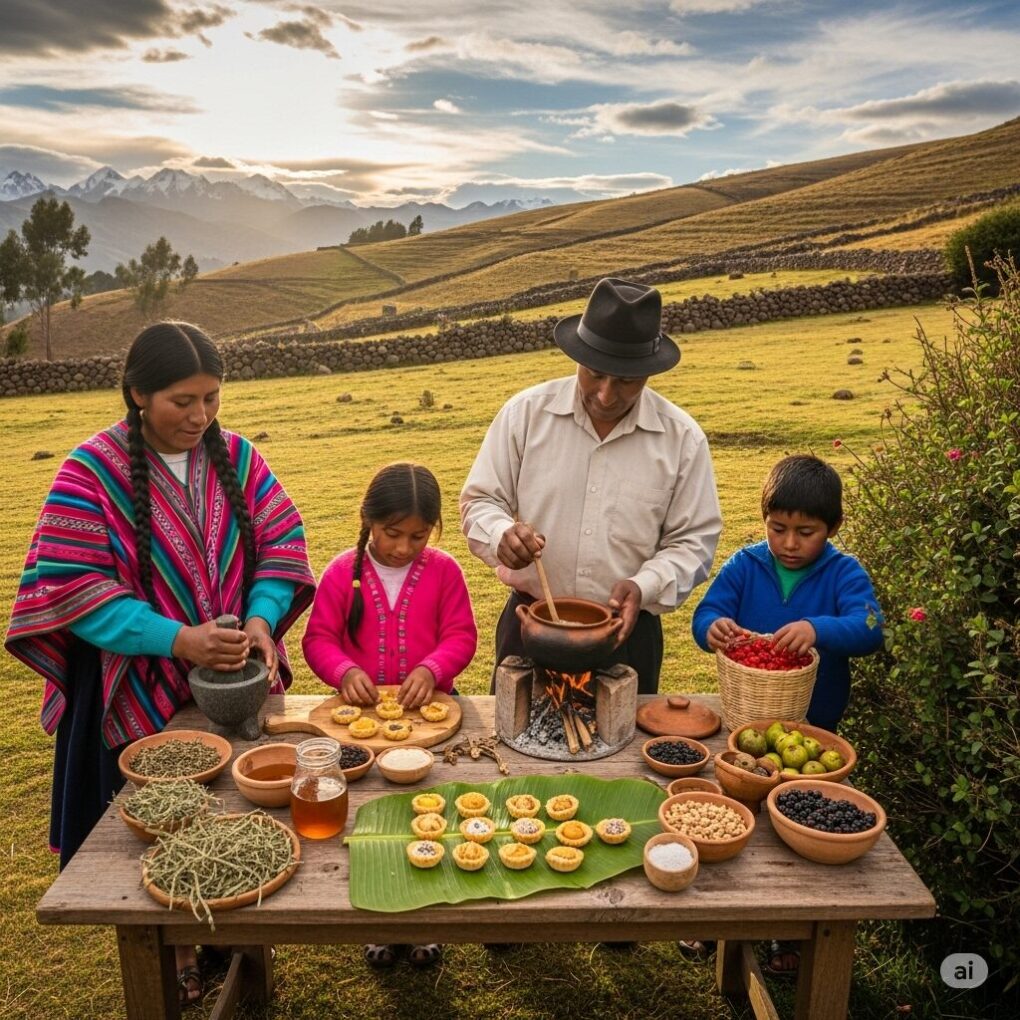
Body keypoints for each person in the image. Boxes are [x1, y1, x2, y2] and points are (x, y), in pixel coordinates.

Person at [5, 321, 315, 1007]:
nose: (200, 416)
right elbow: (71, 589)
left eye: (211, 398)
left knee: (235, 818)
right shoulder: (89, 472)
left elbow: (281, 547)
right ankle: (172, 955)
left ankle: (228, 935)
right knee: (158, 826)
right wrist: (179, 640)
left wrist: (261, 621)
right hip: (134, 696)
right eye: (182, 400)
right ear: (138, 392)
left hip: (232, 685)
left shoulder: (238, 457)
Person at [460, 276, 722, 693]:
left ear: (649, 372)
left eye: (626, 381)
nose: (605, 395)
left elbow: (693, 540)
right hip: (531, 626)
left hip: (625, 635)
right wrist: (500, 534)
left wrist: (645, 585)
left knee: (623, 755)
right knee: (512, 754)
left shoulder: (681, 439)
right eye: (595, 374)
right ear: (577, 357)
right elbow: (481, 500)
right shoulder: (525, 415)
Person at [689, 453, 883, 974]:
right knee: (733, 823)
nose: (790, 544)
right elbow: (707, 612)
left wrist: (818, 628)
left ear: (832, 528)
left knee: (795, 832)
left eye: (806, 532)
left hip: (813, 732)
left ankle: (784, 931)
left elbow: (869, 628)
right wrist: (712, 628)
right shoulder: (745, 565)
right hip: (745, 734)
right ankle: (717, 922)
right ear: (765, 521)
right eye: (778, 529)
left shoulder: (844, 571)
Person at [303, 461, 477, 970]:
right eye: (391, 533)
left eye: (418, 536)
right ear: (367, 521)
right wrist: (342, 671)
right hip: (360, 729)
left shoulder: (444, 571)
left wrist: (434, 666)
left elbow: (462, 636)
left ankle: (425, 925)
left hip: (430, 723)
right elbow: (318, 640)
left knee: (427, 819)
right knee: (371, 823)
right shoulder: (343, 572)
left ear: (434, 531)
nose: (403, 548)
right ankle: (379, 922)